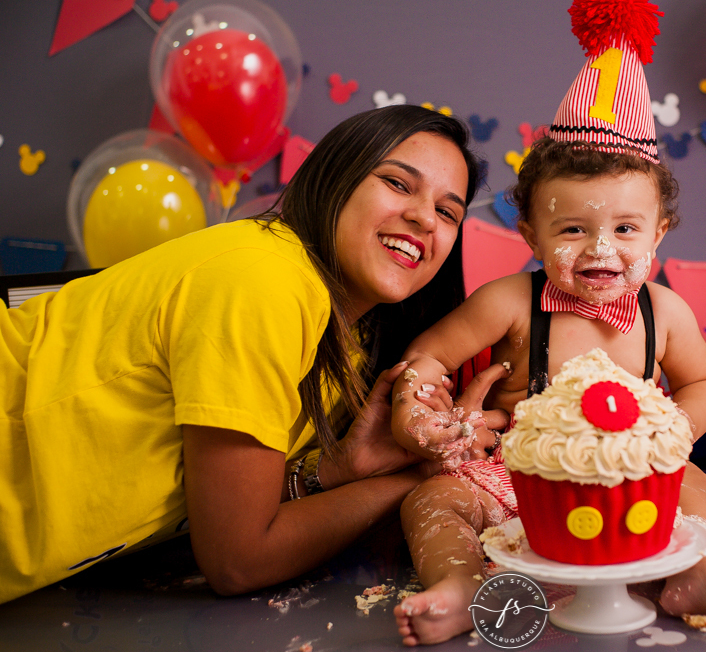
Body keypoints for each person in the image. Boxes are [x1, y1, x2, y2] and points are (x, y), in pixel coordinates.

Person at [388, 0, 706, 645]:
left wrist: (669, 438)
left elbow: (705, 380)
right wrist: (422, 412)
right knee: (429, 500)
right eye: (571, 229)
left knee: (695, 487)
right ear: (530, 234)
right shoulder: (510, 302)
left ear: (661, 232)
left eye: (626, 229)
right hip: (516, 477)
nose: (601, 250)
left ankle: (694, 574)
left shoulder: (666, 312)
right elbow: (427, 357)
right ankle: (463, 586)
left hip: (632, 482)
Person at [0, 105, 509, 604]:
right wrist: (423, 478)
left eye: (447, 212)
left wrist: (335, 470)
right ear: (335, 179)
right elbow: (238, 560)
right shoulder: (263, 281)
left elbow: (230, 507)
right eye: (398, 183)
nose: (424, 217)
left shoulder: (349, 345)